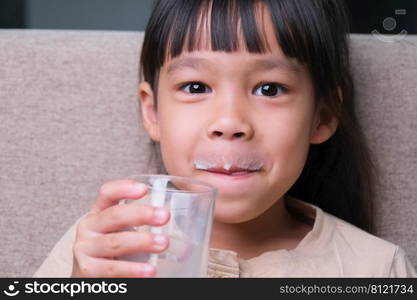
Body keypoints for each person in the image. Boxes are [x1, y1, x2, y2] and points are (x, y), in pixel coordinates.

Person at [34, 0, 416, 277]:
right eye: (196, 85)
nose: (230, 122)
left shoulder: (376, 268)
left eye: (269, 89)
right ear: (153, 113)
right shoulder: (101, 249)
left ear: (323, 116)